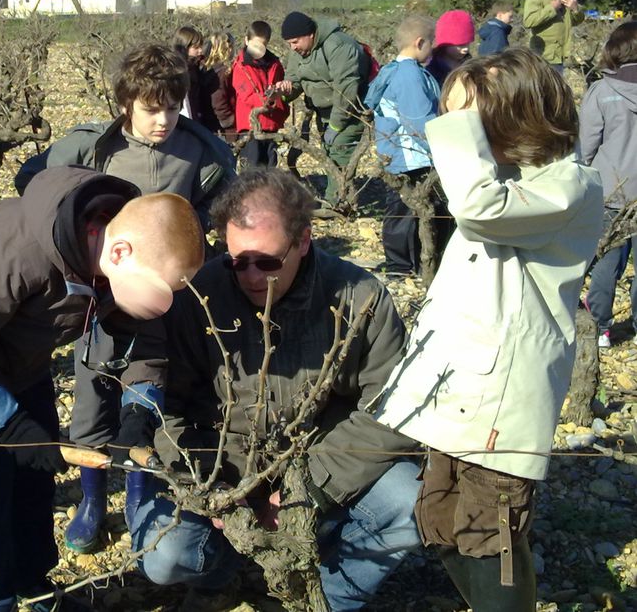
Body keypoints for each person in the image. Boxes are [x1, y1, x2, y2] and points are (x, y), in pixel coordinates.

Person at [0, 167, 206, 612]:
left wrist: (138, 413)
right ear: (119, 252)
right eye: (162, 293)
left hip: (25, 359)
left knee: (36, 478)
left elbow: (142, 336)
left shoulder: (114, 254)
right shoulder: (15, 252)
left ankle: (33, 583)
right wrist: (8, 423)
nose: (164, 306)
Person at [131, 168, 422, 611]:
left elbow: (392, 411)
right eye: (237, 262)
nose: (249, 276)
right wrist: (216, 491)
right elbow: (168, 408)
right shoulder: (198, 297)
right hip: (224, 474)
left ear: (303, 241)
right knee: (164, 556)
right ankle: (223, 571)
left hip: (320, 467)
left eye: (267, 262)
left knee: (413, 498)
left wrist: (307, 489)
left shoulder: (358, 299)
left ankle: (326, 593)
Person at [374, 48, 603, 609]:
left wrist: (456, 122)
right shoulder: (509, 182)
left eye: (473, 119)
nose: (461, 132)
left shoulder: (567, 186)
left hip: (501, 398)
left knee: (490, 532)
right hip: (461, 386)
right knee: (442, 519)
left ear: (517, 113)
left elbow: (480, 208)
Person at [14, 44, 235, 554]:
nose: (164, 120)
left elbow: (224, 208)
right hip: (96, 296)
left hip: (164, 301)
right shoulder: (94, 148)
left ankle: (140, 493)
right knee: (92, 396)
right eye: (152, 107)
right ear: (125, 102)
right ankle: (92, 500)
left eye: (173, 107)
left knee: (150, 393)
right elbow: (34, 182)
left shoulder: (202, 152)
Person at [365, 14, 445, 278]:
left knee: (402, 210)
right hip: (412, 156)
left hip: (396, 154)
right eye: (432, 43)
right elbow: (420, 120)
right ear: (419, 42)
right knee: (405, 213)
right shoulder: (410, 76)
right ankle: (401, 267)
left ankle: (402, 264)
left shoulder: (393, 69)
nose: (433, 49)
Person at [272, 11, 372, 204]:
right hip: (323, 111)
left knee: (339, 154)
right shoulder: (298, 52)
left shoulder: (339, 45)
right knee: (328, 152)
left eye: (295, 42)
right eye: (289, 44)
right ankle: (337, 200)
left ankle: (338, 205)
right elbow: (295, 81)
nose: (292, 48)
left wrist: (335, 125)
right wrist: (284, 91)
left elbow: (346, 90)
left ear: (310, 35)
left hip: (351, 112)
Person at [579, 22, 637, 347]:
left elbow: (585, 147)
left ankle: (600, 325)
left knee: (607, 261)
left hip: (611, 192)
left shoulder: (601, 92)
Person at [231, 20, 287, 169]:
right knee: (251, 171)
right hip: (249, 127)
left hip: (271, 125)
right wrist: (268, 100)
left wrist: (280, 98)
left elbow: (281, 90)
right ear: (246, 40)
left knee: (269, 170)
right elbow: (247, 95)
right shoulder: (240, 66)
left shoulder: (275, 64)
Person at [523, 0, 585, 73]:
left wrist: (575, 9)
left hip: (560, 56)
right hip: (542, 57)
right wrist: (551, 8)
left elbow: (576, 21)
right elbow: (528, 21)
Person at [173, 26, 219, 133]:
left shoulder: (196, 66)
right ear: (185, 47)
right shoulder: (181, 70)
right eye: (196, 47)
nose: (200, 50)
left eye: (200, 47)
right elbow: (186, 101)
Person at [426, 9, 474, 88]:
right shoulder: (433, 69)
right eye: (460, 45)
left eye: (468, 44)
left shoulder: (470, 64)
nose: (466, 49)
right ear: (445, 43)